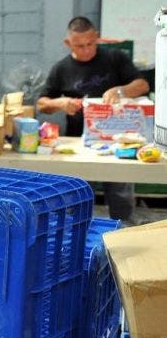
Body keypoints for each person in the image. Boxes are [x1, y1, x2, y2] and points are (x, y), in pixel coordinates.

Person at [37, 16, 151, 223]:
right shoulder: (61, 69)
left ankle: (124, 235)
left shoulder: (115, 59)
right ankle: (79, 238)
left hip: (118, 143)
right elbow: (41, 103)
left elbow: (143, 85)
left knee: (121, 196)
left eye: (90, 44)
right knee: (79, 197)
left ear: (96, 38)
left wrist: (120, 90)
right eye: (79, 46)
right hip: (80, 145)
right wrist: (60, 103)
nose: (86, 49)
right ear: (68, 43)